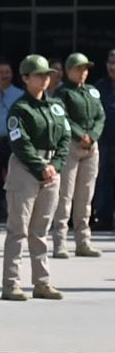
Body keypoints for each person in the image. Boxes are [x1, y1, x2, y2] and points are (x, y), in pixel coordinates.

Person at [1, 55, 70, 301]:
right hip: (26, 169)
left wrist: (55, 165)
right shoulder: (20, 108)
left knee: (40, 231)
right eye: (39, 75)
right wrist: (41, 167)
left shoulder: (56, 106)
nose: (44, 79)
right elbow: (19, 142)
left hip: (51, 169)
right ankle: (11, 283)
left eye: (47, 75)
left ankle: (42, 282)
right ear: (26, 78)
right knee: (18, 230)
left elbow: (65, 138)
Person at [50, 52, 104, 258]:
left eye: (85, 68)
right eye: (78, 68)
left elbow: (100, 116)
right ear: (68, 70)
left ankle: (83, 242)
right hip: (72, 146)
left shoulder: (92, 91)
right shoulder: (62, 93)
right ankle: (60, 242)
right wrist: (81, 135)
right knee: (65, 196)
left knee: (85, 196)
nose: (83, 72)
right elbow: (62, 117)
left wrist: (93, 135)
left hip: (91, 147)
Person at [0, 59, 25, 224]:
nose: (4, 75)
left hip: (12, 143)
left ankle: (12, 215)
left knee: (13, 180)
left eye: (7, 72)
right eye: (1, 72)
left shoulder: (20, 95)